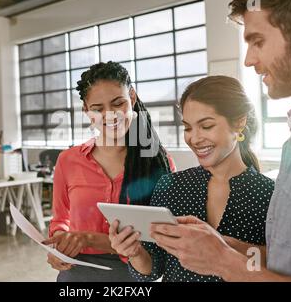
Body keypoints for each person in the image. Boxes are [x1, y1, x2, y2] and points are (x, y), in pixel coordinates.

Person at [143, 0, 291, 281]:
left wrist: (224, 262)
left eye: (258, 40)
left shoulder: (267, 184)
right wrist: (226, 248)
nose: (248, 59)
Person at [109, 76, 275, 281]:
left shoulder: (270, 195)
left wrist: (221, 248)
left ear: (239, 123)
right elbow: (153, 269)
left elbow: (280, 266)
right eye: (188, 128)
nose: (194, 138)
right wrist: (134, 252)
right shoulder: (171, 186)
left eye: (206, 126)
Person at [43, 61, 176, 282]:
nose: (110, 115)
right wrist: (59, 244)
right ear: (86, 111)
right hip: (76, 272)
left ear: (132, 98)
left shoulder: (158, 164)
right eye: (97, 109)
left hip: (135, 273)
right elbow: (60, 219)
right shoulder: (68, 161)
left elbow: (161, 239)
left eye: (118, 103)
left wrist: (88, 239)